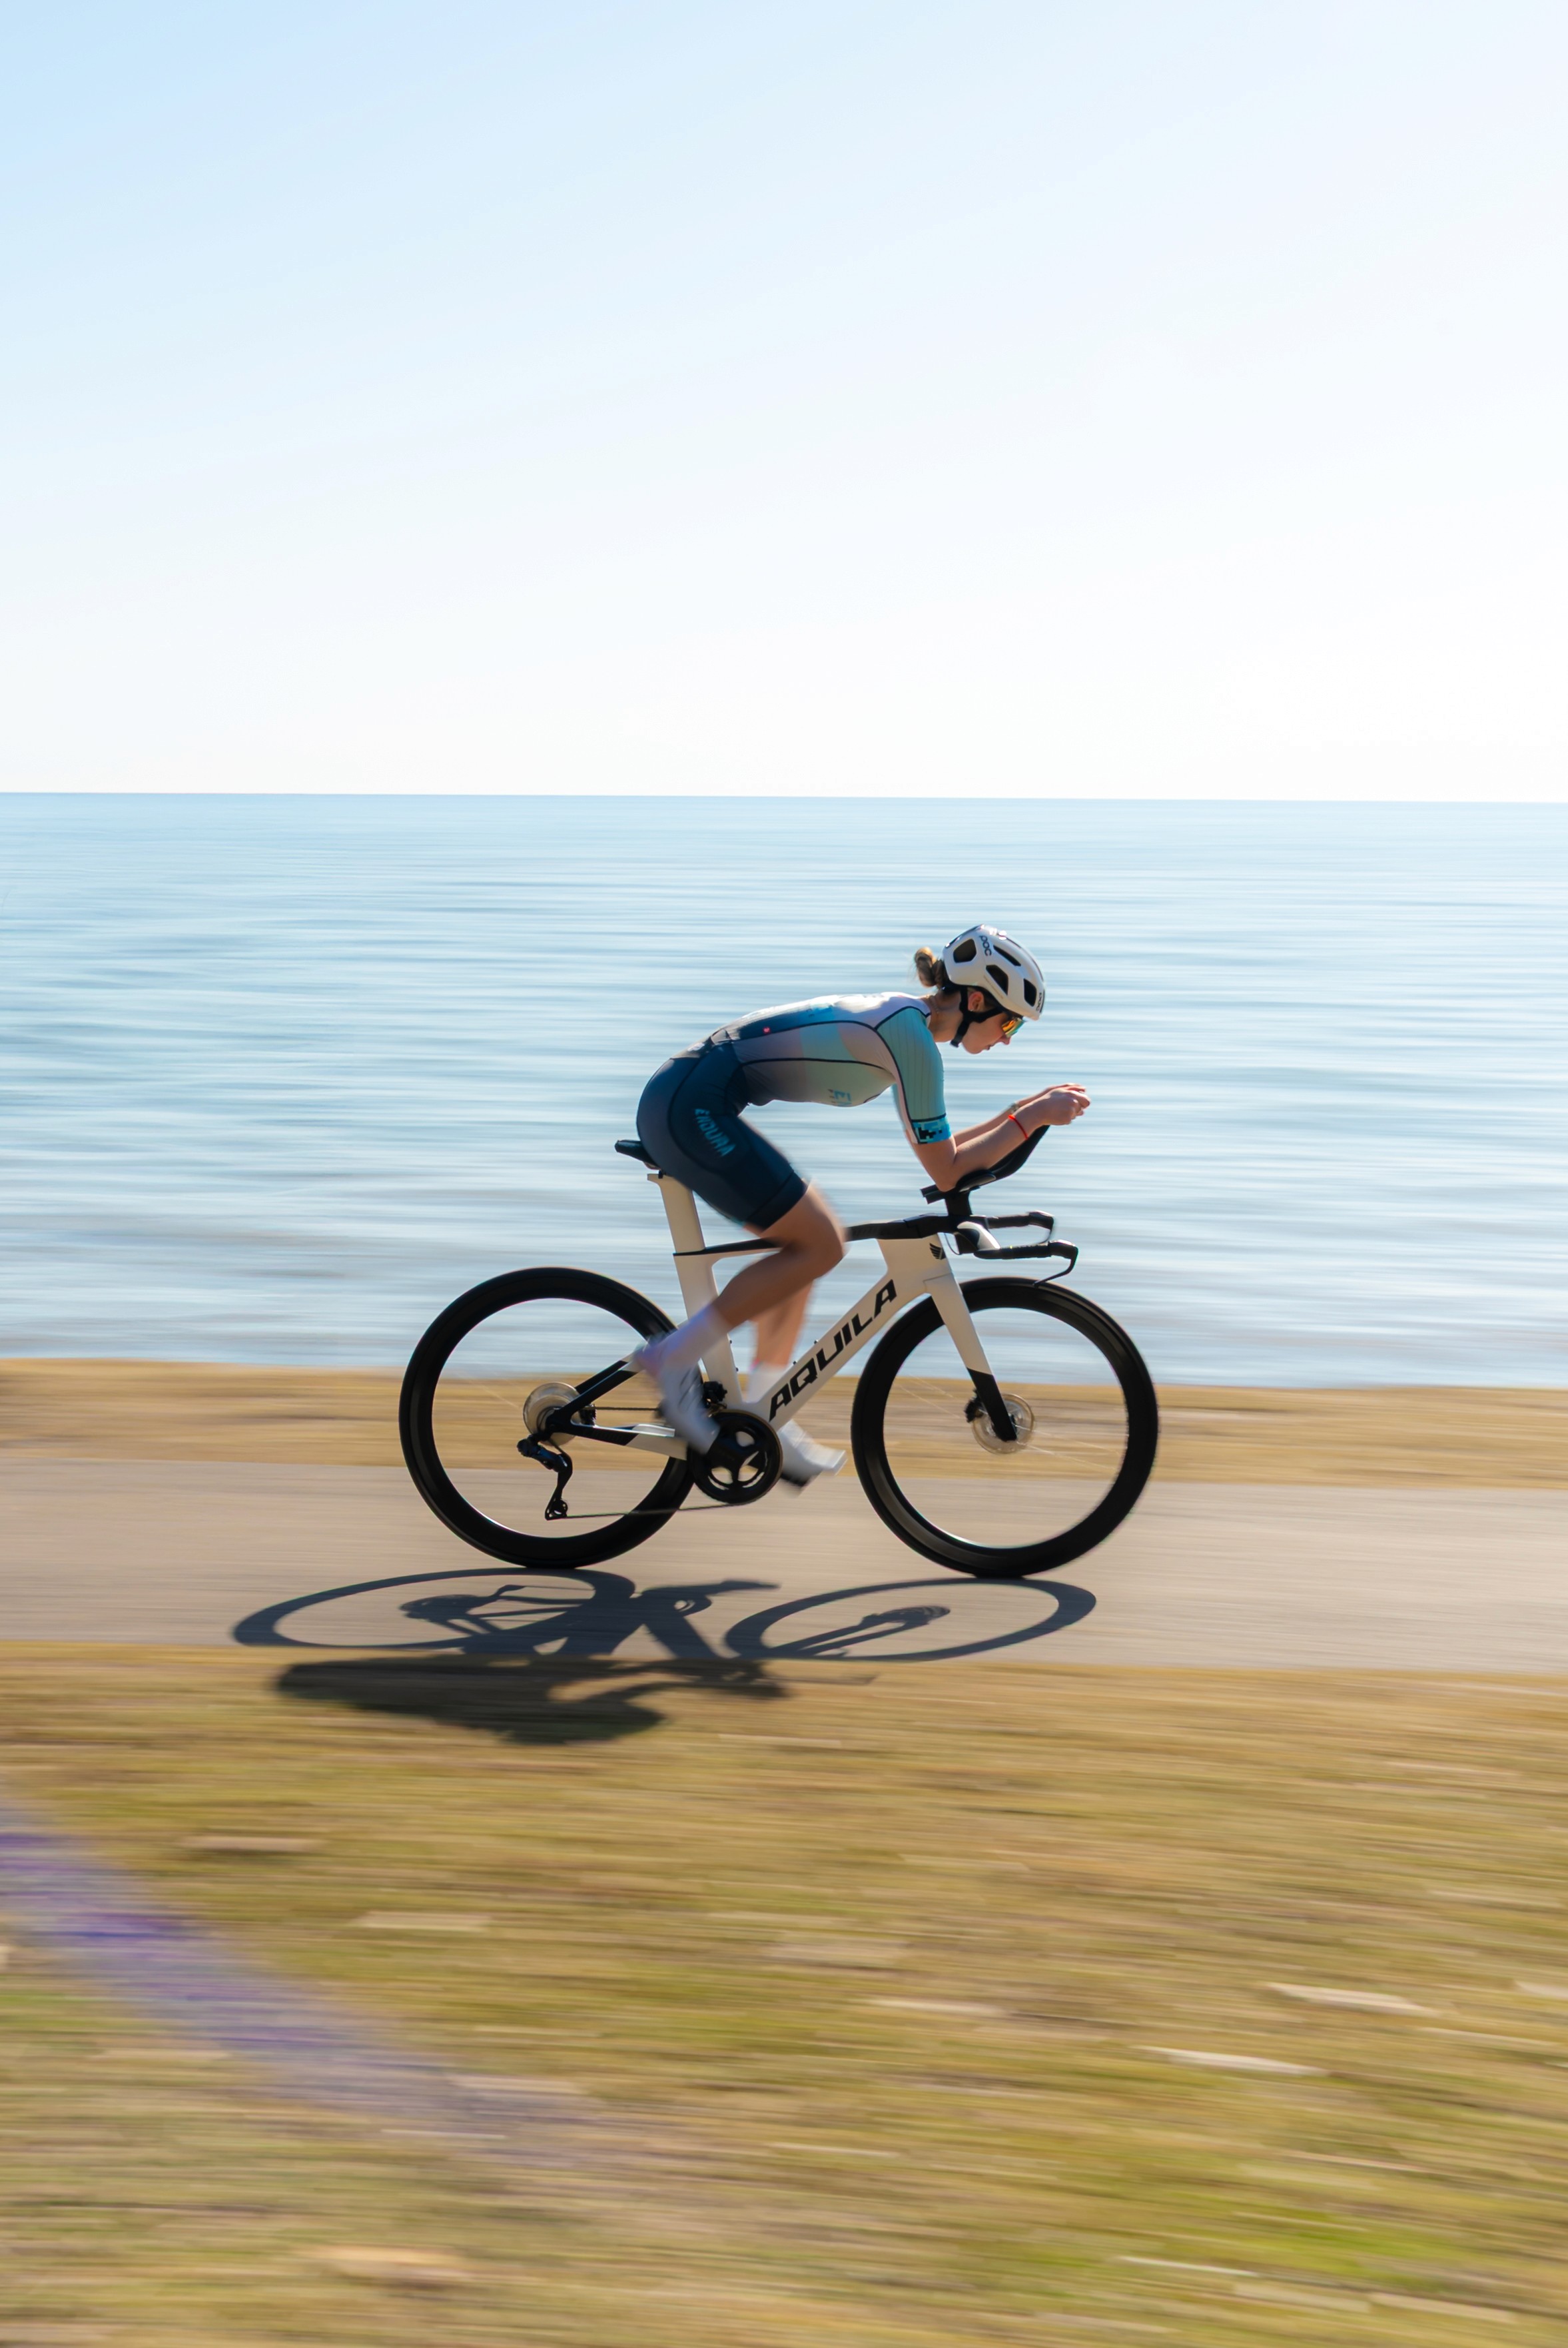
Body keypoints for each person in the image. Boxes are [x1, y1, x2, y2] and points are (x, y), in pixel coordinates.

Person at [632, 924, 1090, 1484]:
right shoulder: (912, 1040)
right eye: (1010, 1021)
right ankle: (673, 1357)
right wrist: (1032, 1117)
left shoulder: (911, 1028)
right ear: (976, 1000)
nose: (1009, 1037)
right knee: (819, 1242)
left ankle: (760, 1410)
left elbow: (945, 1154)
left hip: (692, 1099)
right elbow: (946, 1170)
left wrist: (1029, 1108)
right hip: (689, 1106)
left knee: (811, 1246)